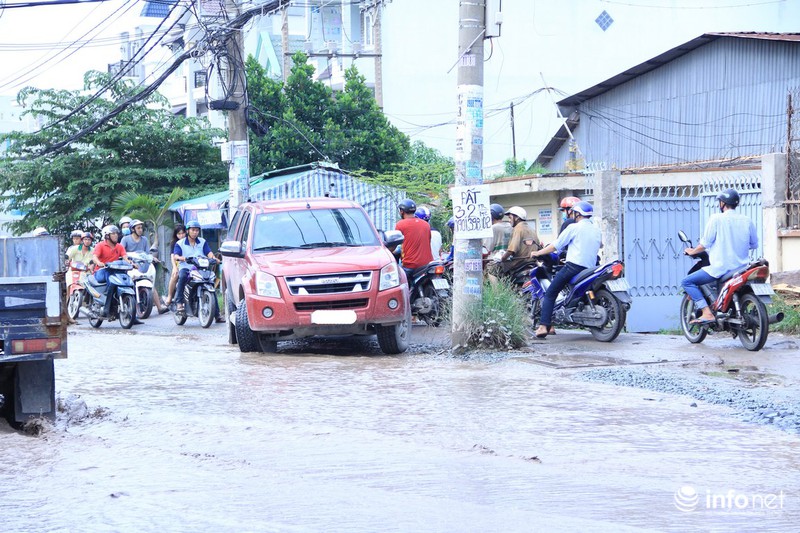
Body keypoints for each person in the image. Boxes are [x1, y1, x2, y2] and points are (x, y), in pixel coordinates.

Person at [681, 188, 759, 325]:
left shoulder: (716, 218)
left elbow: (705, 244)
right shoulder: (747, 220)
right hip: (742, 268)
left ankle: (707, 313)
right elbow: (754, 244)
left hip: (721, 268)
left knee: (687, 281)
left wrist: (692, 251)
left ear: (722, 203)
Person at [530, 201, 602, 339]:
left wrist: (538, 253)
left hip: (574, 267)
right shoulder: (596, 229)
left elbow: (555, 246)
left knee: (550, 293)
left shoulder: (573, 227)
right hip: (591, 268)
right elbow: (599, 244)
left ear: (577, 214)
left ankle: (544, 326)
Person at [121, 219, 169, 314]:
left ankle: (159, 307)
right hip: (130, 265)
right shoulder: (125, 239)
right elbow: (122, 253)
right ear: (133, 229)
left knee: (151, 284)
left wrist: (152, 258)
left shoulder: (144, 240)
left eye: (141, 228)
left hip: (142, 264)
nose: (140, 230)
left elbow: (147, 253)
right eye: (138, 228)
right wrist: (127, 260)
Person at [173, 220, 216, 315]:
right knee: (182, 276)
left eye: (197, 230)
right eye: (193, 230)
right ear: (188, 231)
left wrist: (213, 258)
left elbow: (208, 252)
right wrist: (182, 258)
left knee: (210, 282)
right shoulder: (180, 243)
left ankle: (216, 314)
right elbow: (175, 256)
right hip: (186, 267)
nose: (195, 232)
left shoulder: (202, 241)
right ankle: (179, 302)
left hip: (200, 268)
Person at [91, 225, 131, 319]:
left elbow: (125, 257)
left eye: (116, 233)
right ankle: (107, 307)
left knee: (128, 280)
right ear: (107, 236)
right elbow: (94, 257)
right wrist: (99, 262)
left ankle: (133, 313)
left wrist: (131, 263)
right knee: (110, 276)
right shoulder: (100, 245)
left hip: (116, 271)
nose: (116, 235)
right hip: (101, 271)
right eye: (113, 233)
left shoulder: (119, 246)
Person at [489, 206, 540, 278]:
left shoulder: (518, 229)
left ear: (517, 218)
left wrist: (502, 259)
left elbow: (511, 250)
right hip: (531, 262)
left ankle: (498, 289)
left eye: (510, 218)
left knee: (491, 268)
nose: (509, 220)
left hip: (519, 263)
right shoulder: (531, 229)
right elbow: (539, 247)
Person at [394, 199, 434, 282]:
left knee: (398, 284)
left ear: (401, 211)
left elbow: (396, 245)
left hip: (410, 265)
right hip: (428, 264)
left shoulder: (400, 224)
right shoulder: (426, 224)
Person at [164, 224, 186, 307]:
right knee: (175, 275)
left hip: (190, 262)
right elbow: (172, 256)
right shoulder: (174, 243)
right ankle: (169, 296)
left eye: (183, 233)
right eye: (179, 234)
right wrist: (174, 267)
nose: (181, 235)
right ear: (176, 234)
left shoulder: (189, 241)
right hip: (179, 262)